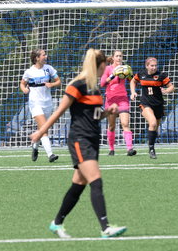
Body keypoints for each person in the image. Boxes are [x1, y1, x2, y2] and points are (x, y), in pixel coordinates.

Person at [32, 48, 127, 239]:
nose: (105, 70)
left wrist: (108, 112)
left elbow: (94, 115)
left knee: (78, 184)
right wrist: (41, 132)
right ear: (99, 65)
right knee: (96, 180)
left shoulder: (94, 87)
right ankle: (105, 227)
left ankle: (56, 223)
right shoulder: (76, 85)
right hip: (80, 139)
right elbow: (59, 111)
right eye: (104, 66)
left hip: (92, 139)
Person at [20, 48, 61, 162]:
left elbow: (58, 81)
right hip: (35, 103)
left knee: (41, 129)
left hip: (47, 103)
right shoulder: (29, 71)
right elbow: (22, 84)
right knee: (44, 129)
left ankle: (35, 147)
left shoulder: (49, 68)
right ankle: (50, 154)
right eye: (43, 55)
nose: (46, 56)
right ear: (37, 58)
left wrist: (51, 84)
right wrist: (24, 89)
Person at [130, 57, 175, 159]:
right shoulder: (141, 74)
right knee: (153, 123)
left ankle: (151, 142)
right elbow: (133, 81)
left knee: (155, 128)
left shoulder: (161, 75)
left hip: (158, 105)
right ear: (147, 66)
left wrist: (166, 91)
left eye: (155, 65)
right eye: (152, 66)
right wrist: (133, 92)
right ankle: (151, 149)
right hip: (145, 104)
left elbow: (172, 87)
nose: (154, 67)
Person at [100, 50, 136, 156]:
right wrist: (113, 75)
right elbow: (102, 83)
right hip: (110, 100)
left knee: (125, 123)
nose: (119, 58)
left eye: (120, 56)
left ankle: (130, 149)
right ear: (113, 58)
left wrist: (133, 91)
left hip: (123, 99)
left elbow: (132, 81)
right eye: (117, 56)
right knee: (111, 126)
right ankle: (111, 149)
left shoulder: (126, 69)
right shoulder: (108, 69)